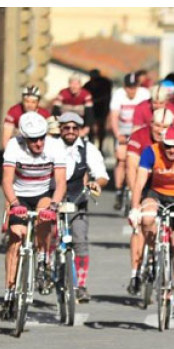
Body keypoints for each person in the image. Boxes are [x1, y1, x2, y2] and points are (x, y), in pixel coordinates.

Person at [129, 127, 174, 319]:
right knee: (147, 217)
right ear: (162, 144)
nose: (172, 151)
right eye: (168, 147)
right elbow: (139, 182)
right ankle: (151, 252)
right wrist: (135, 208)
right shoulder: (151, 151)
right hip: (156, 194)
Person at [2, 113, 67, 311]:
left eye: (41, 138)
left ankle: (43, 258)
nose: (38, 143)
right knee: (15, 238)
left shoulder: (55, 146)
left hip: (44, 192)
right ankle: (9, 292)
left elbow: (61, 182)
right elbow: (6, 181)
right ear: (24, 138)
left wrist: (55, 205)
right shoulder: (14, 145)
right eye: (33, 140)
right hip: (19, 194)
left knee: (44, 218)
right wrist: (13, 203)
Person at [58, 113, 110, 303]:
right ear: (60, 129)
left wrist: (97, 183)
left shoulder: (88, 149)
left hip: (76, 201)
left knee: (80, 240)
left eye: (74, 128)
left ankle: (80, 286)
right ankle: (44, 269)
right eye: (66, 128)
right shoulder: (51, 146)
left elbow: (102, 174)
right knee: (47, 238)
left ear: (79, 130)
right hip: (53, 200)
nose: (70, 132)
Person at [125, 108, 174, 296]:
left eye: (164, 126)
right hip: (142, 183)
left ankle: (158, 256)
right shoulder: (139, 136)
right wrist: (135, 200)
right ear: (150, 123)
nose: (160, 130)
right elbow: (131, 168)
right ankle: (135, 272)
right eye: (156, 125)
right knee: (140, 224)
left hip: (165, 185)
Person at [110, 73, 151, 210]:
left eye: (134, 87)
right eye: (129, 87)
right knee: (121, 159)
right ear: (124, 87)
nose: (131, 91)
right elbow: (114, 117)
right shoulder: (118, 94)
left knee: (138, 161)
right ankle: (118, 190)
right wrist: (118, 135)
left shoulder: (144, 94)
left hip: (140, 133)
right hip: (124, 132)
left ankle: (139, 188)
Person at [84, 69, 113, 148]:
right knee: (91, 130)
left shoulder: (105, 83)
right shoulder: (88, 85)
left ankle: (100, 147)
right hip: (91, 110)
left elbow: (107, 96)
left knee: (101, 129)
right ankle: (91, 146)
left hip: (102, 109)